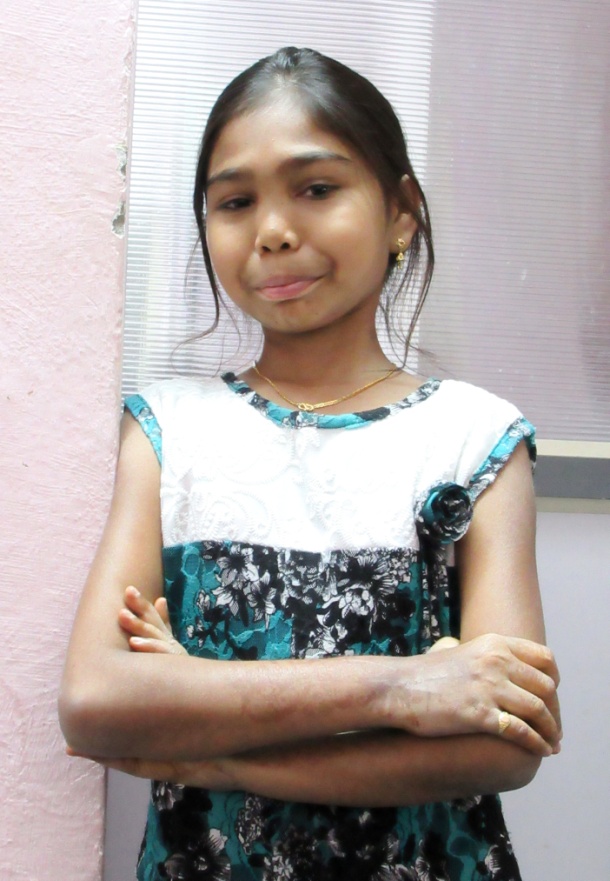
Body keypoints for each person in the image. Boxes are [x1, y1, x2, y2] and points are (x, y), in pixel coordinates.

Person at [59, 47, 561, 881]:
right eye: (235, 201)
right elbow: (96, 702)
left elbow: (503, 741)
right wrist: (405, 688)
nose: (274, 230)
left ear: (401, 213)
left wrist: (210, 746)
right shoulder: (167, 431)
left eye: (317, 188)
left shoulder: (477, 438)